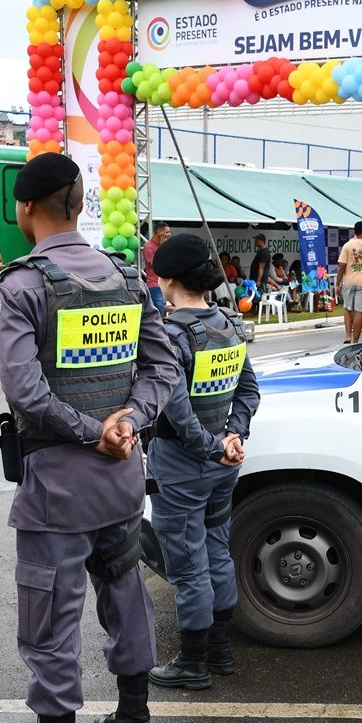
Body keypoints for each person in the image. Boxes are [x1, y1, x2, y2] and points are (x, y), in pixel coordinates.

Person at [0, 152, 180, 723]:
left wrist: (92, 429)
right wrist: (129, 420)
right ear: (78, 205)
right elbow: (163, 369)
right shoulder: (126, 277)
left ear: (26, 209)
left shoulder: (22, 287)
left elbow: (26, 391)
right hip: (122, 481)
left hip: (59, 490)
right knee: (125, 592)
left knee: (50, 615)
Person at [145, 234, 260, 690]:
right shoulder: (228, 324)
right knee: (217, 553)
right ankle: (219, 653)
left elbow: (176, 412)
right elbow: (248, 390)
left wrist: (213, 445)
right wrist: (234, 436)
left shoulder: (171, 335)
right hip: (223, 466)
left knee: (190, 566)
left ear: (169, 280)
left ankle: (192, 663)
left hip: (182, 467)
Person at [142, 220, 170, 318]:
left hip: (166, 283)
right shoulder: (148, 246)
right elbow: (156, 264)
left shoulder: (164, 244)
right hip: (154, 284)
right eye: (167, 232)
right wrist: (162, 247)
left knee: (164, 308)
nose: (169, 234)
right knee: (159, 310)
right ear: (159, 232)